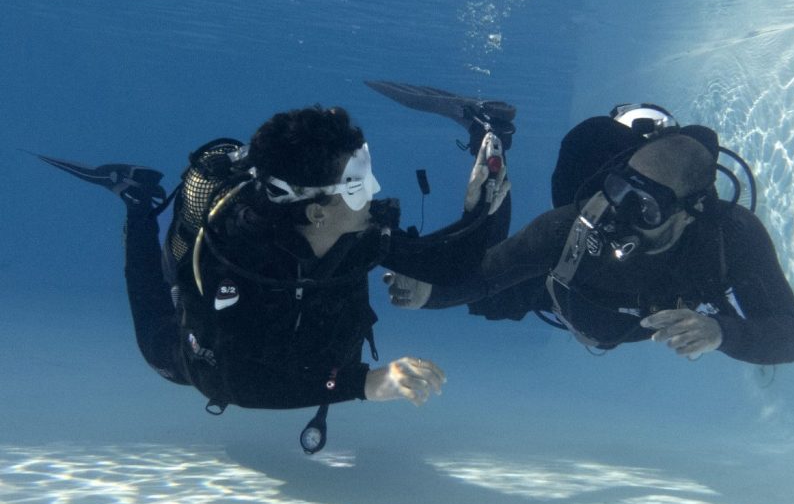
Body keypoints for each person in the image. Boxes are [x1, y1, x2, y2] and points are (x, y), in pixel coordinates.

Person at [37, 99, 512, 452]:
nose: (374, 191)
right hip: (216, 358)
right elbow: (236, 384)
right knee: (157, 343)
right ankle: (139, 203)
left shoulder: (349, 224)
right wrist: (365, 384)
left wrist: (479, 209)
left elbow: (445, 264)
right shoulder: (238, 262)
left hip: (308, 347)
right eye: (356, 183)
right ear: (318, 213)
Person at [386, 107, 794, 366]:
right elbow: (485, 273)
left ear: (692, 210)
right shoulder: (573, 226)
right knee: (495, 291)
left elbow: (790, 336)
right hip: (557, 290)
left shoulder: (730, 238)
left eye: (644, 207)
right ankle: (489, 135)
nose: (619, 215)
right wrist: (429, 293)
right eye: (620, 190)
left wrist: (720, 332)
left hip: (606, 314)